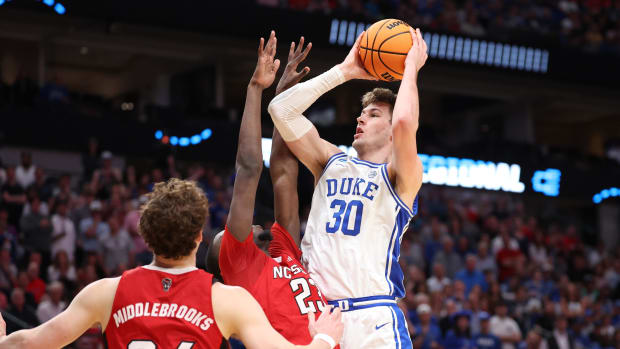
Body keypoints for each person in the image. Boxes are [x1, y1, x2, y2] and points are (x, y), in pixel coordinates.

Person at [0, 178, 343, 348]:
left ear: (144, 236)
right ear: (199, 237)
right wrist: (324, 340)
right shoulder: (226, 300)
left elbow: (29, 343)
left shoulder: (107, 292)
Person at [268, 26, 428, 348]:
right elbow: (280, 110)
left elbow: (404, 123)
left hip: (372, 318)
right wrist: (345, 71)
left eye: (372, 114)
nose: (360, 119)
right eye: (360, 114)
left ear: (391, 132)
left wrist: (411, 67)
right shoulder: (330, 161)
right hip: (319, 316)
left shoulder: (401, 176)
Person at [207, 32, 338, 347]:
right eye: (223, 240)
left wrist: (283, 102)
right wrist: (255, 90)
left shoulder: (282, 250)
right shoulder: (241, 267)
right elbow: (250, 169)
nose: (230, 233)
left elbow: (284, 173)